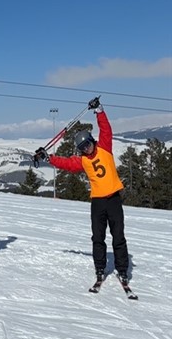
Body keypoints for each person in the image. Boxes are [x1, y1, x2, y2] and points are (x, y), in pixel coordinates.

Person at [35, 96, 130, 284]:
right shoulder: (83, 161)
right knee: (98, 237)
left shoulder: (104, 147)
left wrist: (99, 111)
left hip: (113, 200)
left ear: (93, 141)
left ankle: (122, 269)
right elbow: (68, 164)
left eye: (88, 144)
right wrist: (48, 158)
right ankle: (100, 268)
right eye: (83, 148)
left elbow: (106, 129)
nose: (87, 149)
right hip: (98, 202)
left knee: (118, 237)